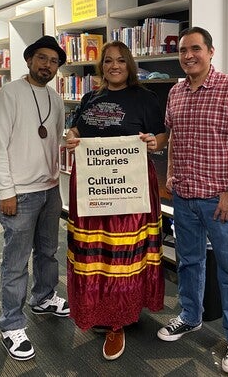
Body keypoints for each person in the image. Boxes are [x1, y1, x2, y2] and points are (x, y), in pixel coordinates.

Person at [157, 27, 228, 375]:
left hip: (220, 202)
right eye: (183, 50)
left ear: (210, 52)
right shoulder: (175, 93)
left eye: (195, 49)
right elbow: (172, 138)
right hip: (184, 199)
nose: (188, 56)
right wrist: (170, 175)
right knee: (188, 263)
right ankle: (190, 317)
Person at [65, 41, 168, 361]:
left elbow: (161, 135)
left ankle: (118, 319)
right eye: (108, 61)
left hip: (131, 186)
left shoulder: (146, 98)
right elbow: (75, 131)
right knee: (96, 251)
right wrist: (71, 139)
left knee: (123, 253)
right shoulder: (89, 97)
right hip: (94, 187)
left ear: (130, 65)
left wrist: (154, 142)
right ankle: (97, 307)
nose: (114, 66)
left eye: (121, 61)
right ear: (101, 67)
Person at [0, 35, 70, 362]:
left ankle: (43, 297)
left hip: (50, 189)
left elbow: (57, 139)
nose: (47, 65)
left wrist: (73, 141)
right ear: (30, 59)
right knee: (16, 260)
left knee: (48, 252)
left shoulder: (56, 98)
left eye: (54, 61)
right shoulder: (9, 94)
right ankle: (11, 322)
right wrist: (6, 191)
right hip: (19, 192)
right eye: (42, 58)